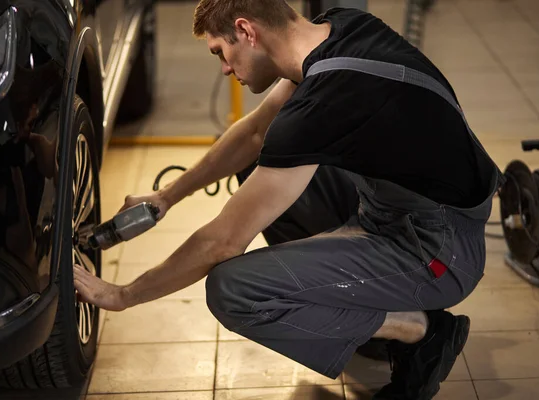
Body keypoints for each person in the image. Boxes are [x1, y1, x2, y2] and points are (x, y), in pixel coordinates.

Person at [73, 1, 503, 399]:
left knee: (234, 290)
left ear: (247, 31)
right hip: (401, 211)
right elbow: (257, 132)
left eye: (221, 52)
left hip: (438, 251)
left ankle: (419, 329)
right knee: (263, 157)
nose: (225, 69)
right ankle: (371, 313)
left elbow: (222, 243)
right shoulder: (341, 27)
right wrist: (166, 197)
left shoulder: (325, 100)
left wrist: (124, 295)